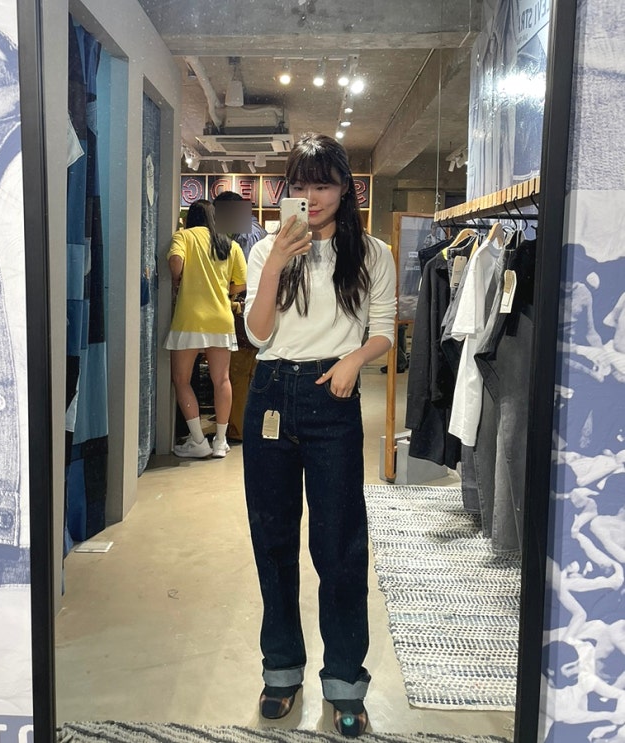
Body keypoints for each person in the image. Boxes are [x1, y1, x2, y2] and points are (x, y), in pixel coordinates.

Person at [242, 133, 396, 737]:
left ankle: (345, 681)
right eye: (301, 185)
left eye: (324, 184)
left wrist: (355, 360)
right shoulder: (266, 249)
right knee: (273, 539)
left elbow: (383, 329)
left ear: (345, 188)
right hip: (271, 395)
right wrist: (276, 262)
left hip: (334, 395)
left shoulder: (373, 254)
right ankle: (281, 670)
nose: (312, 197)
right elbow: (257, 335)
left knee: (340, 545)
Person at [164, 199, 247, 458]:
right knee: (221, 379)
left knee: (181, 379)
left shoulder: (184, 236)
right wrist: (222, 290)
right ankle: (220, 441)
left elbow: (176, 263)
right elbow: (241, 283)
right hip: (221, 319)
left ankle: (198, 440)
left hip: (190, 318)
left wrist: (178, 280)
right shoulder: (229, 244)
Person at [213, 190, 267, 441]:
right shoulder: (258, 230)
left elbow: (243, 280)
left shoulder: (245, 236)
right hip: (257, 310)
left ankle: (238, 427)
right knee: (250, 371)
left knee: (239, 371)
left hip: (244, 309)